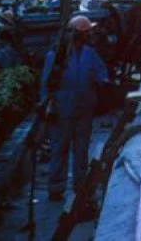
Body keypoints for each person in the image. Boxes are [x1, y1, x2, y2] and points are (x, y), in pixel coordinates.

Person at [41, 15, 109, 201]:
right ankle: (56, 187)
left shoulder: (90, 54)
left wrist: (104, 82)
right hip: (62, 111)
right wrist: (48, 106)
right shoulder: (56, 57)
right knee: (59, 149)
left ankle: (81, 185)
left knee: (81, 150)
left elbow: (101, 73)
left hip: (83, 110)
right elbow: (46, 84)